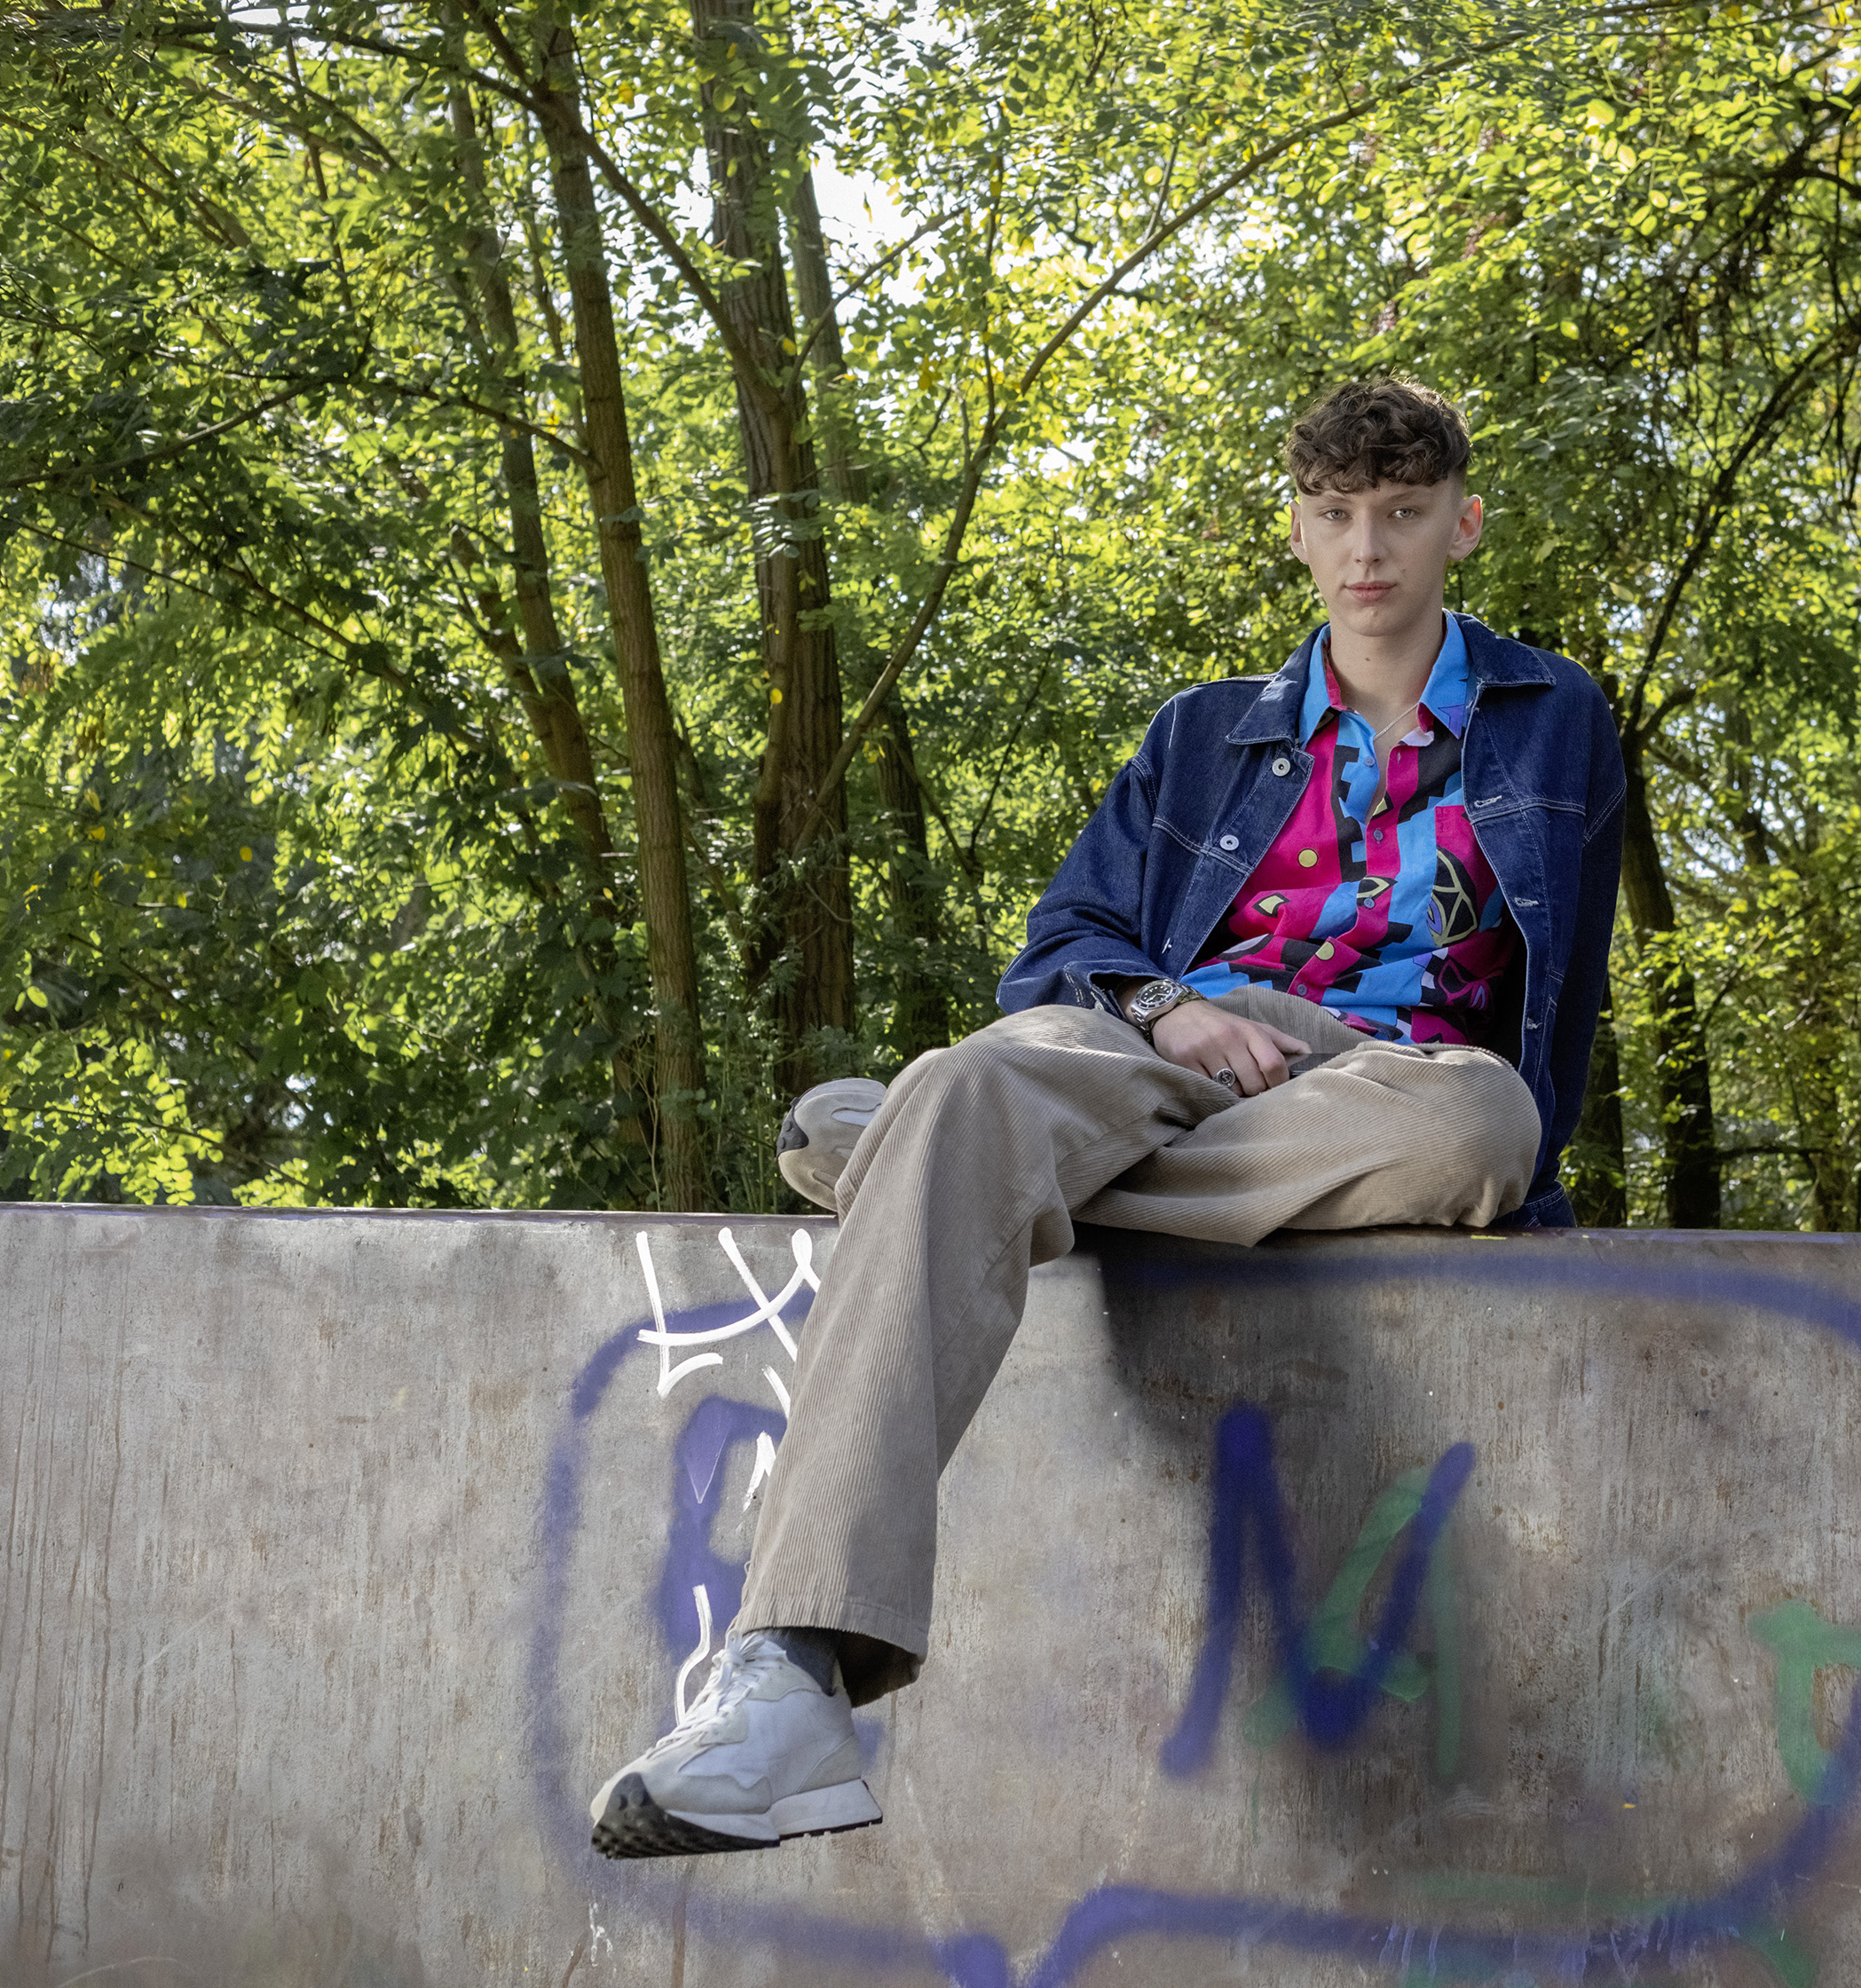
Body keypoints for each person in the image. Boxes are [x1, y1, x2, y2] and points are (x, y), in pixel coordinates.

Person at [588, 375, 1626, 1858]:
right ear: (1296, 532)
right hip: (1180, 1044)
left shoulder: (1552, 717)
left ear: (1462, 523)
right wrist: (1169, 1011)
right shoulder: (1207, 734)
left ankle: (949, 1167)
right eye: (1335, 516)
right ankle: (791, 1680)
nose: (1368, 549)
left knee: (1486, 1129)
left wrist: (1523, 1154)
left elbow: (1562, 987)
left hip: (1386, 1082)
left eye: (1402, 515)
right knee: (978, 1074)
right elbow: (1061, 947)